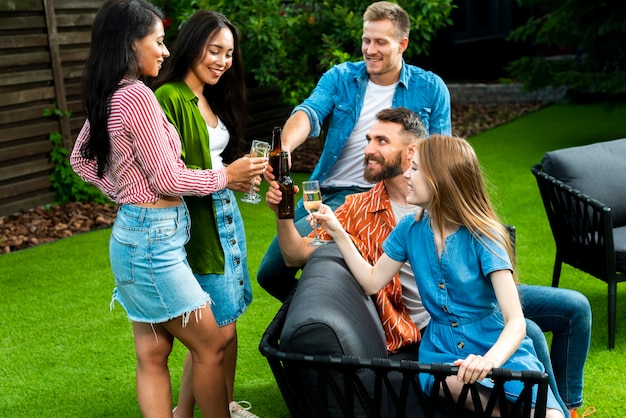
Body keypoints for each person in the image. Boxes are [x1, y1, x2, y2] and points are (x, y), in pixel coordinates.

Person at [267, 108, 589, 417]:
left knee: (538, 353)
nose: (408, 173)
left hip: (486, 333)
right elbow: (370, 281)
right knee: (471, 383)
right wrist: (337, 231)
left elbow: (515, 321)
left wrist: (488, 362)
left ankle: (558, 408)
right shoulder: (405, 228)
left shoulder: (482, 234)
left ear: (439, 178)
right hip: (441, 346)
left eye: (416, 168)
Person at [69, 1, 266, 416]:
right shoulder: (138, 95)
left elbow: (81, 161)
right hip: (153, 243)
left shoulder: (110, 92)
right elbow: (169, 181)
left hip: (136, 235)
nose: (164, 51)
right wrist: (226, 177)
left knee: (153, 354)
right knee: (211, 344)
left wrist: (126, 193)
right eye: (157, 41)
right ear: (129, 43)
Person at [257, 0, 452, 301]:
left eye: (380, 42)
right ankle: (321, 316)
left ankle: (330, 318)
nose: (370, 49)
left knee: (297, 259)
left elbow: (442, 154)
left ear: (402, 44)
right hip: (327, 192)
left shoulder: (430, 88)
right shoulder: (341, 77)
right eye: (366, 40)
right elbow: (308, 112)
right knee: (270, 272)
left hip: (382, 195)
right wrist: (284, 149)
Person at [152, 10, 258, 418]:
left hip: (225, 216)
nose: (222, 61)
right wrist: (225, 176)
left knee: (228, 325)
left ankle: (223, 405)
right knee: (216, 331)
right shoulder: (169, 97)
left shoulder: (208, 96)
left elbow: (215, 165)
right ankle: (186, 412)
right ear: (192, 45)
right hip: (196, 224)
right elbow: (169, 173)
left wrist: (239, 177)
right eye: (214, 50)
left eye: (229, 53)